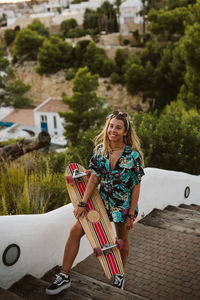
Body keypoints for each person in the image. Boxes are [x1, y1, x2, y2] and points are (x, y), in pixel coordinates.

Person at [46, 110, 145, 295]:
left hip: (123, 204)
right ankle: (64, 276)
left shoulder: (133, 156)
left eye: (118, 127)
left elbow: (136, 186)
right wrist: (82, 203)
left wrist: (131, 214)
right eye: (111, 126)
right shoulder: (100, 150)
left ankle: (119, 274)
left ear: (125, 132)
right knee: (75, 230)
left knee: (122, 240)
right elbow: (93, 179)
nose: (113, 130)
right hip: (102, 200)